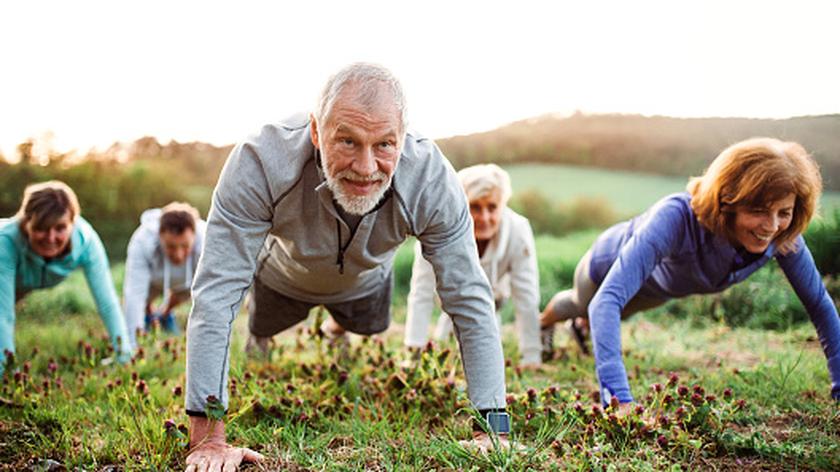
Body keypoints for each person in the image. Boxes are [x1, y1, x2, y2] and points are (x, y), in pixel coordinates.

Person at [184, 63, 509, 470]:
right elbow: (216, 291)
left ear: (403, 137)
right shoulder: (259, 161)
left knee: (370, 328)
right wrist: (208, 439)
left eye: (385, 145)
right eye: (348, 141)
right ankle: (262, 334)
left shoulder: (431, 181)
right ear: (317, 132)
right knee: (261, 327)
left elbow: (468, 297)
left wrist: (493, 430)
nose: (366, 166)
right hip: (283, 278)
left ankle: (339, 324)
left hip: (365, 283)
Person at [539, 138, 840, 408]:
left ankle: (581, 329)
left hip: (658, 289)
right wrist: (619, 400)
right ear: (727, 201)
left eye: (783, 212)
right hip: (605, 264)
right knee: (581, 304)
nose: (771, 226)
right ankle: (544, 323)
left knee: (614, 316)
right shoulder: (676, 217)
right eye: (759, 210)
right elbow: (606, 300)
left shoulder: (782, 239)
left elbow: (819, 305)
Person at [403, 163, 541, 366]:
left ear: (503, 205)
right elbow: (421, 293)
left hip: (494, 299)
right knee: (447, 354)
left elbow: (526, 297)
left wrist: (531, 356)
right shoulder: (436, 229)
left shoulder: (518, 231)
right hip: (450, 300)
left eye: (492, 207)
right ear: (460, 203)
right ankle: (446, 337)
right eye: (475, 207)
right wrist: (414, 353)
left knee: (486, 356)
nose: (484, 218)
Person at [0, 181, 134, 373]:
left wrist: (124, 355)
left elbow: (107, 303)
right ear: (26, 222)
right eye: (41, 228)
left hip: (21, 284)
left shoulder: (86, 242)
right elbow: (3, 315)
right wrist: (6, 373)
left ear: (73, 223)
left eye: (60, 228)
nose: (51, 237)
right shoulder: (5, 242)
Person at [123, 202, 205, 344]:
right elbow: (134, 296)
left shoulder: (206, 241)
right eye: (171, 246)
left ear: (194, 235)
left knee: (190, 291)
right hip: (153, 279)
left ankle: (165, 314)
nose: (178, 255)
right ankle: (149, 316)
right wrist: (132, 344)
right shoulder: (142, 241)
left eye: (185, 246)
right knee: (142, 302)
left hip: (187, 281)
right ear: (160, 236)